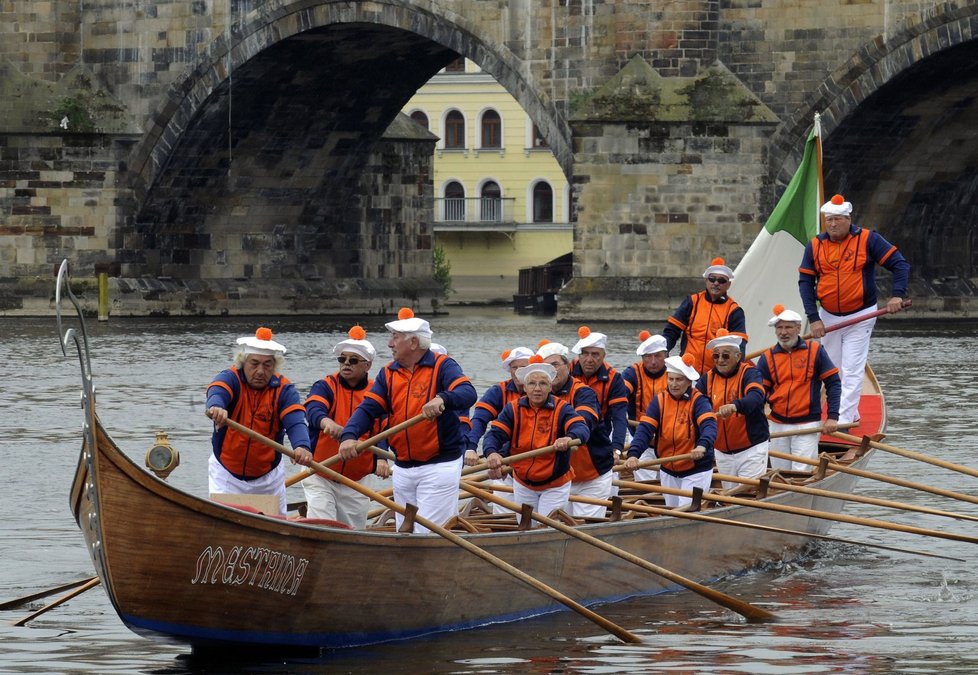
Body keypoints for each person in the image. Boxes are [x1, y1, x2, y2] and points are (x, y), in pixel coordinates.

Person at [337, 308, 477, 534]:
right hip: (402, 467)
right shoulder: (388, 373)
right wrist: (349, 436)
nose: (389, 344)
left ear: (413, 343)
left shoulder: (443, 366)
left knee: (425, 534)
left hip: (440, 465)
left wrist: (443, 398)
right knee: (404, 532)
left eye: (395, 338)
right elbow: (368, 409)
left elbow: (468, 393)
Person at [799, 194, 911, 424]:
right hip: (828, 316)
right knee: (831, 369)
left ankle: (844, 420)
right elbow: (805, 283)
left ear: (848, 219)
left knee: (852, 368)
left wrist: (897, 295)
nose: (833, 224)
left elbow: (899, 264)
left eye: (838, 219)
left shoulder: (869, 239)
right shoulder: (815, 246)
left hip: (861, 315)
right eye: (829, 220)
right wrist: (814, 318)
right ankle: (847, 411)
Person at [205, 327, 313, 515]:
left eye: (267, 365)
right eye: (254, 364)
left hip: (268, 478)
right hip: (226, 474)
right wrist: (217, 407)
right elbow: (217, 390)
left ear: (274, 366)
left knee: (275, 530)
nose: (260, 371)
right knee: (225, 525)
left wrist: (302, 445)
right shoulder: (231, 378)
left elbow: (295, 420)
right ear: (243, 362)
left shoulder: (284, 389)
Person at [303, 326, 391, 529]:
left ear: (367, 365)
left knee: (352, 532)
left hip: (357, 479)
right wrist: (328, 423)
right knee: (322, 525)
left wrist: (382, 458)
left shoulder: (376, 392)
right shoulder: (325, 385)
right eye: (342, 359)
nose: (346, 364)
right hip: (320, 472)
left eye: (353, 360)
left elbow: (384, 429)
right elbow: (314, 410)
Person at [483, 356, 591, 518]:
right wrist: (491, 452)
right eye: (532, 384)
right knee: (525, 527)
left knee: (545, 527)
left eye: (543, 384)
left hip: (555, 483)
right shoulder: (512, 409)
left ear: (550, 388)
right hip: (523, 483)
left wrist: (569, 437)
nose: (537, 389)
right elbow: (495, 434)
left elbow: (581, 428)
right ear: (525, 388)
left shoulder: (562, 408)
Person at [755, 304, 841, 472]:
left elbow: (833, 383)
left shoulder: (816, 351)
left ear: (798, 328)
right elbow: (759, 394)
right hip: (777, 424)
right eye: (779, 328)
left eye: (788, 327)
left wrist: (832, 417)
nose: (783, 332)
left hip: (807, 424)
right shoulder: (767, 357)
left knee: (801, 474)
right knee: (779, 473)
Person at [624, 354, 717, 509]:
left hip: (695, 468)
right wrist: (634, 454)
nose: (673, 384)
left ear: (688, 381)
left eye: (678, 380)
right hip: (668, 468)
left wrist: (702, 445)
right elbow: (645, 429)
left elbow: (709, 425)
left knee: (686, 512)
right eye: (671, 379)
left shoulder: (699, 401)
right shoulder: (659, 400)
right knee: (672, 511)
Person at [694, 329, 769, 491]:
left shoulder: (750, 373)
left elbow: (757, 396)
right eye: (716, 356)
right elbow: (693, 407)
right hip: (721, 452)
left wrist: (736, 406)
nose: (720, 360)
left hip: (752, 449)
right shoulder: (706, 379)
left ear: (738, 356)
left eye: (725, 355)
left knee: (747, 495)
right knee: (730, 497)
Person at [568, 326, 628, 518]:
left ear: (603, 356)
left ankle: (611, 512)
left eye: (595, 354)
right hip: (570, 433)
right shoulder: (565, 371)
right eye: (584, 354)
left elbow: (620, 417)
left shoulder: (614, 378)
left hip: (601, 435)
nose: (589, 359)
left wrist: (617, 449)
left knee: (610, 479)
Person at [663, 257, 748, 373]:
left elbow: (740, 345)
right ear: (706, 281)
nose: (716, 283)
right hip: (688, 371)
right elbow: (671, 332)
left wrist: (738, 372)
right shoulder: (692, 302)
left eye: (721, 281)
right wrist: (661, 352)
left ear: (728, 285)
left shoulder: (734, 311)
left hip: (716, 374)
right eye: (712, 279)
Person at [621, 331, 670, 481]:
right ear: (642, 358)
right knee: (646, 485)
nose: (653, 362)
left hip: (671, 442)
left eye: (658, 356)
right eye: (648, 357)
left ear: (666, 356)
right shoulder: (631, 374)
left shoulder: (676, 372)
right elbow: (619, 396)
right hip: (641, 440)